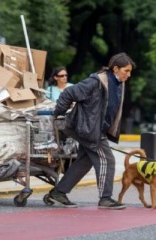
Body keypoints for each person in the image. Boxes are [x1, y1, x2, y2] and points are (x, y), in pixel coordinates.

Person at [48, 52, 136, 209]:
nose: (128, 75)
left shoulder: (117, 83)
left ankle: (58, 193)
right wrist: (58, 114)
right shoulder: (96, 81)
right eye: (126, 71)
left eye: (130, 72)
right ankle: (105, 199)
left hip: (94, 129)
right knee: (107, 160)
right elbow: (69, 92)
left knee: (84, 161)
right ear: (115, 68)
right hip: (86, 129)